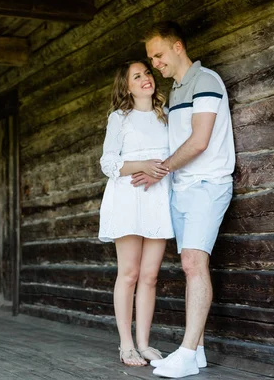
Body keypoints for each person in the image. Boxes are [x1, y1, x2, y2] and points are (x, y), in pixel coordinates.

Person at [133, 21, 235, 378]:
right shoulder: (176, 90)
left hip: (208, 184)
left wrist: (159, 171)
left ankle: (188, 354)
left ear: (178, 47)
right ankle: (200, 351)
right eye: (151, 58)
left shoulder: (205, 80)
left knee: (193, 262)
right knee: (191, 266)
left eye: (158, 55)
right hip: (183, 188)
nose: (155, 63)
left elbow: (199, 141)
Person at [99, 59, 174, 367]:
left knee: (150, 275)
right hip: (128, 198)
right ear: (126, 86)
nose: (146, 78)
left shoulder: (166, 116)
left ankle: (144, 343)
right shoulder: (120, 118)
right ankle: (126, 344)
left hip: (157, 197)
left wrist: (158, 170)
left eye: (147, 73)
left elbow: (175, 157)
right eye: (137, 76)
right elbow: (108, 163)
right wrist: (143, 165)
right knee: (129, 273)